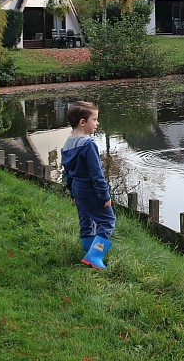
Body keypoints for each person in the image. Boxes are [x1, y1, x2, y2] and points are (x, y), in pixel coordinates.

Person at [61, 101, 116, 270]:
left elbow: (67, 172)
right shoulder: (88, 145)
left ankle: (87, 251)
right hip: (90, 189)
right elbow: (97, 174)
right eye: (95, 119)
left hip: (78, 189)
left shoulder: (67, 144)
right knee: (107, 221)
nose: (97, 123)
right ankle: (95, 255)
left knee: (86, 221)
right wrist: (105, 195)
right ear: (82, 122)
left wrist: (72, 192)